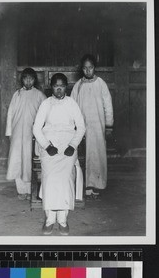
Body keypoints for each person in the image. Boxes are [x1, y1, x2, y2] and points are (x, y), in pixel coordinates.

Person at [33, 73, 85, 235]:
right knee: (50, 179)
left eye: (62, 85)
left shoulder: (72, 103)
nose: (59, 89)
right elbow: (36, 129)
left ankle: (62, 219)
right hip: (50, 145)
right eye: (56, 85)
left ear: (66, 86)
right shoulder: (46, 104)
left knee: (65, 179)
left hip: (68, 145)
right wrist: (47, 146)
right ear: (51, 87)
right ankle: (50, 219)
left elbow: (81, 127)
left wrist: (73, 145)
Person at [71, 54, 114, 199]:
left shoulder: (101, 83)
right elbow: (72, 106)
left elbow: (108, 105)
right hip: (83, 127)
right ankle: (85, 187)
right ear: (82, 69)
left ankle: (97, 185)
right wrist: (74, 126)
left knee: (97, 155)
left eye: (90, 68)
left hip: (97, 127)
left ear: (94, 68)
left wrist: (109, 125)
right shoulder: (78, 85)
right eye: (85, 68)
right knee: (84, 155)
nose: (88, 71)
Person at [5, 68, 46, 200]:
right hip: (17, 133)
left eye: (31, 78)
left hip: (32, 134)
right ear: (22, 79)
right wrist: (9, 132)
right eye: (25, 78)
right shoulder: (17, 94)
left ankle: (30, 190)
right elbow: (10, 114)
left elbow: (46, 113)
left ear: (35, 80)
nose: (28, 81)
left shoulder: (39, 95)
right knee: (18, 160)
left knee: (29, 160)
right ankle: (21, 190)